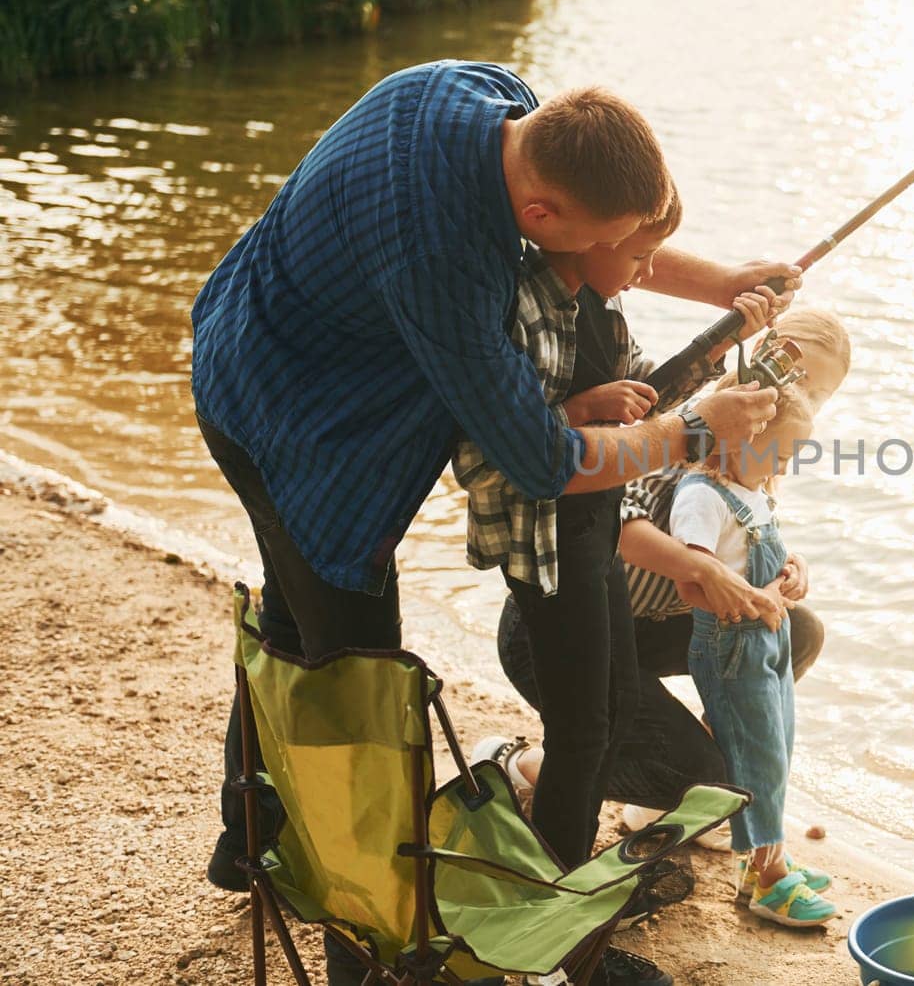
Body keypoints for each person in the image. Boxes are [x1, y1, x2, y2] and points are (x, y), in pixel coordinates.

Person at [190, 60, 790, 985]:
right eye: (620, 244)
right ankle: (374, 948)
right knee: (356, 677)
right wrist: (688, 431)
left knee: (288, 620)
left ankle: (248, 838)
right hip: (296, 418)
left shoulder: (485, 96)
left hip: (239, 339)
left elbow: (592, 240)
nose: (631, 265)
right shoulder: (449, 261)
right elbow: (546, 460)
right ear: (541, 220)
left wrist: (720, 283)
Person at [478, 310, 851, 853]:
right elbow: (622, 528)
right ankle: (517, 764)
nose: (801, 399)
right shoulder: (690, 420)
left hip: (650, 632)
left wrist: (788, 569)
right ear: (768, 354)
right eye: (798, 377)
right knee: (699, 774)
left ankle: (657, 800)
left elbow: (743, 532)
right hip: (566, 632)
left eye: (819, 395)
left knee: (800, 631)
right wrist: (702, 570)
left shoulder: (767, 445)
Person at [673, 383, 840, 927]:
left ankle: (764, 860)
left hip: (770, 638)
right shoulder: (701, 495)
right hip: (730, 645)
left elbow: (761, 550)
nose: (786, 466)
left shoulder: (755, 486)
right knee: (755, 756)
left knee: (779, 746)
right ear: (742, 434)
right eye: (783, 452)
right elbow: (691, 584)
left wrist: (793, 571)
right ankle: (770, 883)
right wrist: (754, 598)